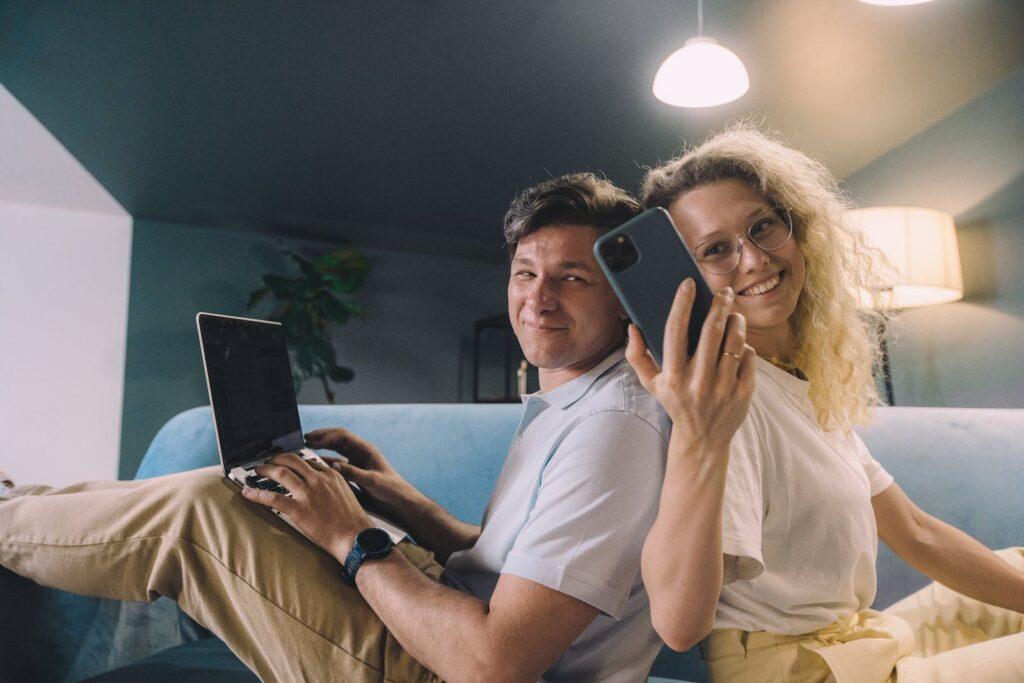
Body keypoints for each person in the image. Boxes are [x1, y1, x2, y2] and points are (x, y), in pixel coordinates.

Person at [0, 173, 682, 682]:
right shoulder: (583, 402)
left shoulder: (613, 430)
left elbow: (494, 661)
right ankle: (17, 502)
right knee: (246, 491)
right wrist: (392, 498)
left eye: (571, 279)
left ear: (622, 300)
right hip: (445, 623)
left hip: (446, 667)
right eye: (525, 272)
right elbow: (525, 575)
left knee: (199, 513)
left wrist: (349, 535)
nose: (537, 298)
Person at [626, 124, 1024, 682]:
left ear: (798, 229)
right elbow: (678, 621)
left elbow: (913, 529)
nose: (754, 259)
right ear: (686, 280)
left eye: (762, 227)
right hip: (794, 672)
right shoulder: (724, 404)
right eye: (716, 250)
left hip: (853, 645)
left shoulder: (793, 385)